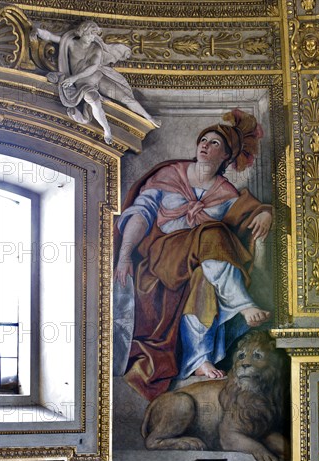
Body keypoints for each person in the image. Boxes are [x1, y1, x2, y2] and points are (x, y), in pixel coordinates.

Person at [114, 109, 273, 400]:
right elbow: (140, 214)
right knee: (212, 234)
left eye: (215, 143)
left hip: (199, 263)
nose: (205, 145)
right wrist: (124, 255)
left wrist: (265, 213)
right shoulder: (170, 175)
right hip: (164, 256)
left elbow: (245, 215)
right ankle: (242, 304)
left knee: (204, 278)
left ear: (226, 156)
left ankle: (199, 359)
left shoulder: (225, 192)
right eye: (204, 140)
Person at [36, 21, 160, 144]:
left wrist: (73, 78)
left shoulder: (96, 48)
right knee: (95, 102)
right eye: (90, 34)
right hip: (84, 85)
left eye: (94, 35)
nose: (92, 37)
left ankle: (149, 117)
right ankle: (107, 130)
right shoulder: (71, 44)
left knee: (126, 98)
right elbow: (51, 37)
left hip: (99, 78)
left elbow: (93, 67)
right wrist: (37, 31)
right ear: (82, 32)